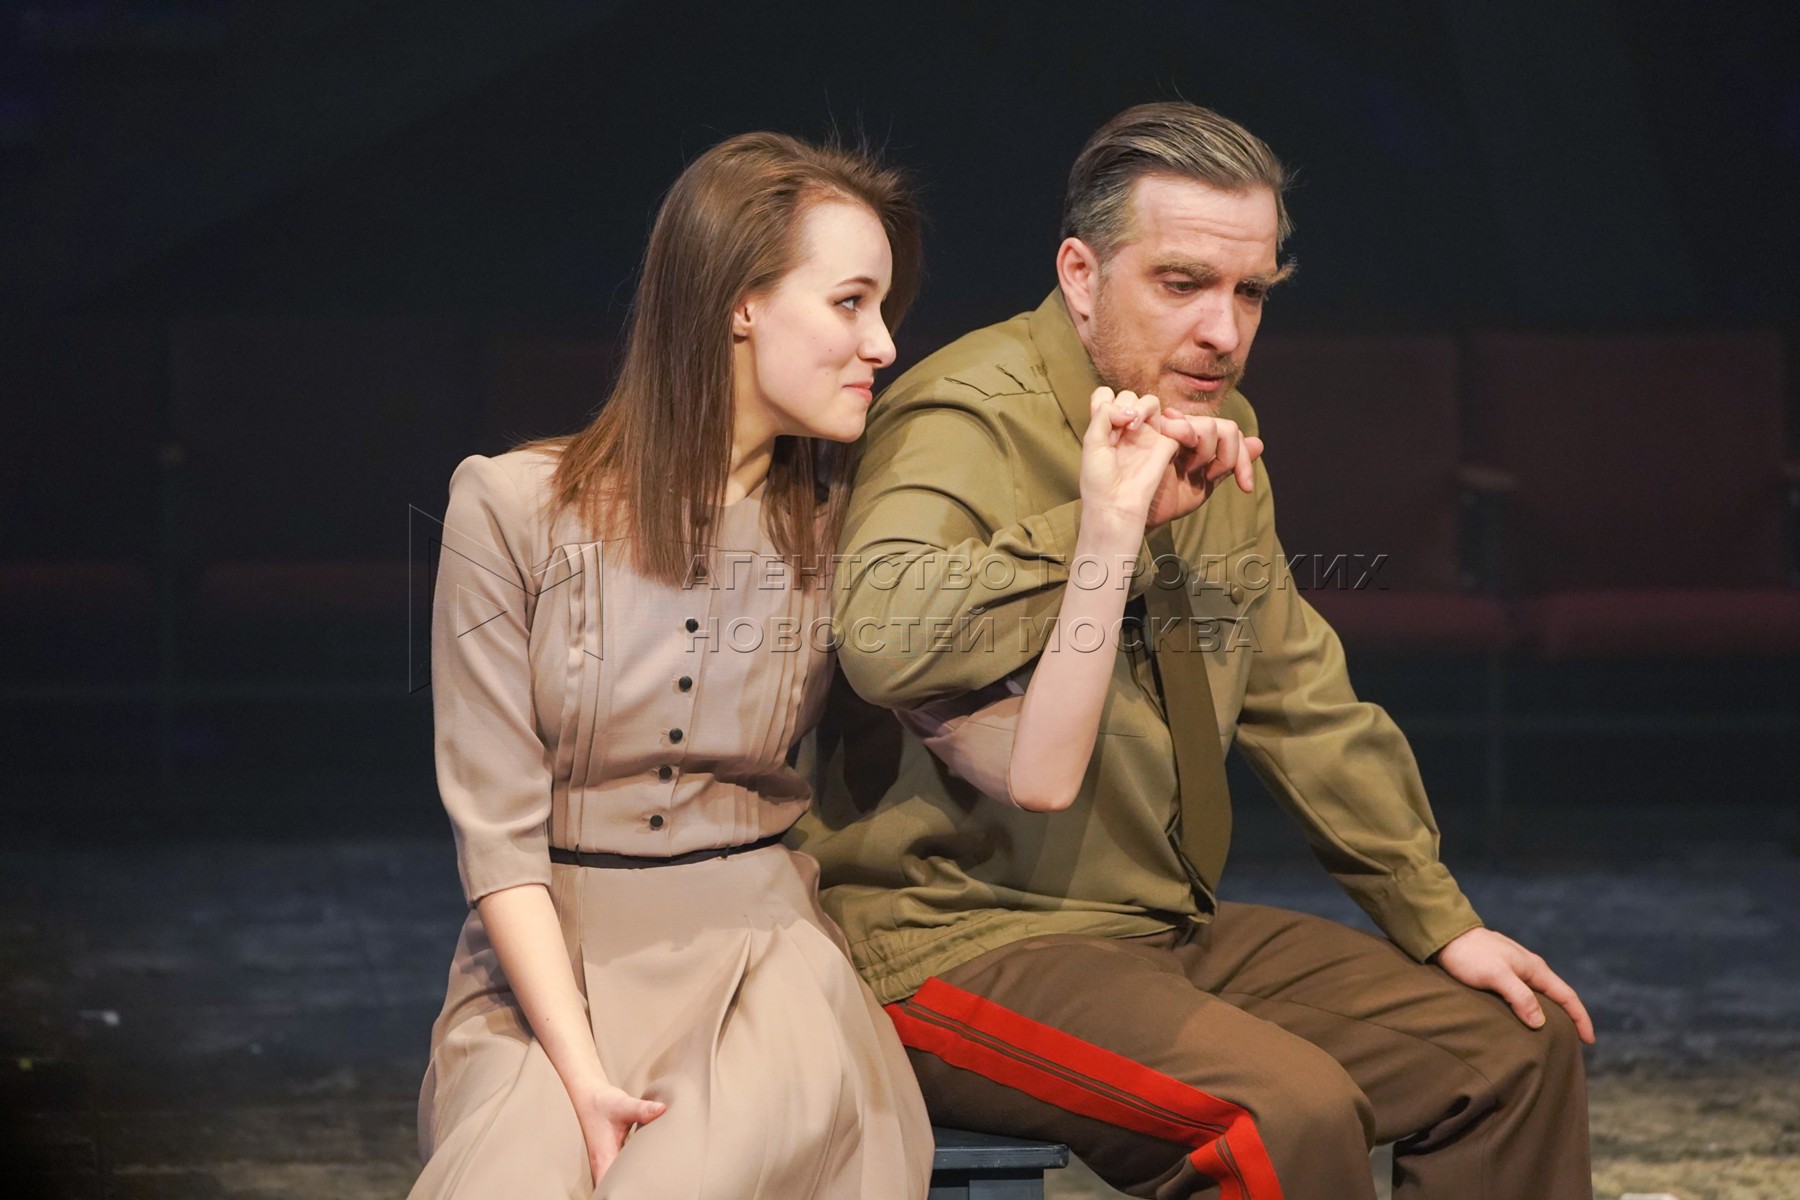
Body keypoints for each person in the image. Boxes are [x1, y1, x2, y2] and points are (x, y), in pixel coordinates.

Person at [792, 102, 1596, 1199]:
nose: (1224, 330)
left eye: (1251, 291)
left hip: (1156, 928)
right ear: (1081, 276)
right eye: (1183, 284)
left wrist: (1437, 916)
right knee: (1278, 1113)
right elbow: (884, 643)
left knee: (1511, 1047)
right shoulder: (965, 416)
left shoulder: (1219, 427)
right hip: (953, 939)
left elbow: (1301, 698)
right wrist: (1104, 521)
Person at [410, 131, 933, 1199]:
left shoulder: (848, 528)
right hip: (546, 972)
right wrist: (582, 1076)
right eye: (850, 303)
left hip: (762, 963)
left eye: (884, 309)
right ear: (741, 304)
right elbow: (497, 834)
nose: (882, 343)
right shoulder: (509, 509)